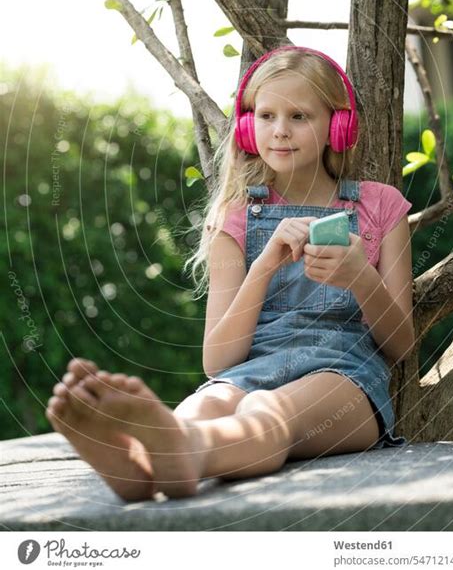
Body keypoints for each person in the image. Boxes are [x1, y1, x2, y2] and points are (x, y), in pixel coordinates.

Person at [45, 46, 415, 502]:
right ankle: (139, 466)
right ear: (247, 124)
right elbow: (218, 362)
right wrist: (263, 266)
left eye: (299, 116)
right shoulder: (235, 216)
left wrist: (361, 276)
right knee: (210, 401)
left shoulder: (380, 207)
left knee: (267, 409)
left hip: (345, 375)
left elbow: (401, 345)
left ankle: (185, 456)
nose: (279, 131)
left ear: (337, 126)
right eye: (265, 115)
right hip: (249, 368)